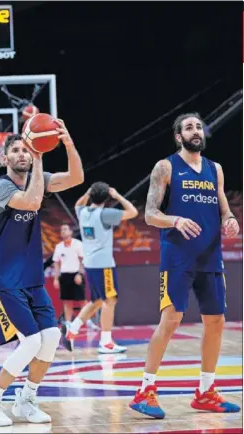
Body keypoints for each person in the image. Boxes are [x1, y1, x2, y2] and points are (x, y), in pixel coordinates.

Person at [129, 113, 241, 419]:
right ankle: (145, 391)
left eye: (198, 126)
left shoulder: (215, 169)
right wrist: (175, 219)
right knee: (171, 319)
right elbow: (150, 214)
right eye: (188, 127)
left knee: (216, 321)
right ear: (179, 137)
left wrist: (229, 219)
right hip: (177, 256)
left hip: (210, 256)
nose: (195, 130)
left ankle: (206, 392)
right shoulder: (165, 167)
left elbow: (223, 207)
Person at [0, 122, 84, 427]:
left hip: (31, 276)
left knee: (51, 337)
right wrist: (40, 158)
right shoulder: (1, 187)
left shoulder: (39, 179)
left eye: (27, 148)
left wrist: (67, 142)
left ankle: (26, 400)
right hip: (2, 277)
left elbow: (77, 177)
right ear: (5, 157)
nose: (23, 153)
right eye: (17, 149)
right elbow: (32, 201)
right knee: (31, 342)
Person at [61, 182, 138, 353]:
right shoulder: (105, 214)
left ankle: (71, 330)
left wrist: (87, 193)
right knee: (110, 301)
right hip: (103, 265)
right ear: (106, 198)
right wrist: (117, 196)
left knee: (96, 301)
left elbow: (78, 204)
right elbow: (133, 212)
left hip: (90, 264)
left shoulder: (82, 212)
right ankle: (106, 342)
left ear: (91, 195)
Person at [53, 223, 99, 330]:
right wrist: (56, 278)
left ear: (70, 232)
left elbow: (83, 259)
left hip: (76, 275)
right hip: (64, 275)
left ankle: (88, 322)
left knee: (82, 300)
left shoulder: (78, 244)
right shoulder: (59, 247)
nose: (63, 231)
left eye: (65, 229)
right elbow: (56, 263)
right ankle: (68, 323)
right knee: (67, 301)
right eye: (61, 230)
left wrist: (79, 273)